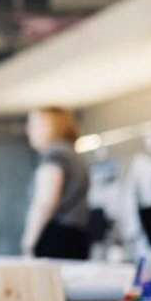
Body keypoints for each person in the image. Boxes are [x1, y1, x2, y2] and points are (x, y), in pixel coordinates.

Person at [21, 107, 92, 260]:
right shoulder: (73, 155)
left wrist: (29, 241)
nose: (28, 130)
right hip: (78, 236)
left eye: (34, 124)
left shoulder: (55, 155)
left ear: (51, 126)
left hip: (57, 239)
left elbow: (46, 202)